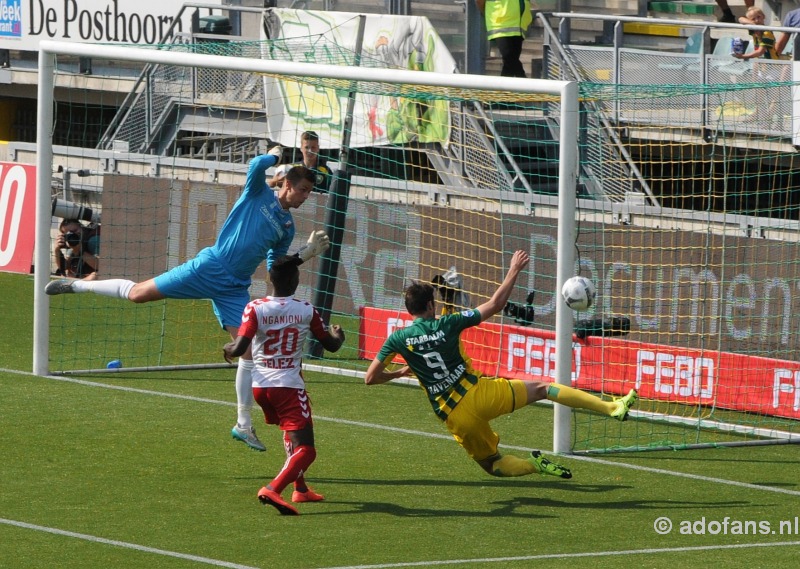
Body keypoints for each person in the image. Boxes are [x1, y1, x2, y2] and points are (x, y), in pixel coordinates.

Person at [45, 148, 331, 453]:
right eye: (303, 189)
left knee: (248, 353)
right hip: (210, 267)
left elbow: (277, 268)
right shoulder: (258, 192)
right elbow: (255, 163)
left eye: (309, 192)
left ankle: (243, 425)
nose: (305, 196)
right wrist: (275, 156)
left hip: (234, 287)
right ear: (286, 184)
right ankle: (77, 286)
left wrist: (305, 254)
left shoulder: (287, 227)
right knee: (138, 294)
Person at [365, 250, 638, 479]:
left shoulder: (398, 339)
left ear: (409, 309)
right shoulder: (448, 324)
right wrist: (514, 270)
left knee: (492, 464)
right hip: (479, 393)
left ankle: (535, 465)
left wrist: (399, 372)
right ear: (430, 305)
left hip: (454, 415)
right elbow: (495, 304)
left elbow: (370, 378)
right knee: (543, 388)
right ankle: (612, 407)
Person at [223, 255, 345, 515]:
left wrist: (228, 347)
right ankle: (273, 488)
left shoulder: (254, 308)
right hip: (288, 386)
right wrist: (338, 336)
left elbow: (239, 348)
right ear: (296, 280)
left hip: (261, 387)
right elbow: (331, 346)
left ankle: (300, 489)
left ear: (270, 279)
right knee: (307, 450)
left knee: (289, 431)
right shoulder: (306, 309)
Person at [476, 0, 532, 78]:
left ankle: (506, 87)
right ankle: (524, 83)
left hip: (518, 25)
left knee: (510, 62)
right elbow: (480, 1)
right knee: (509, 58)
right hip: (500, 24)